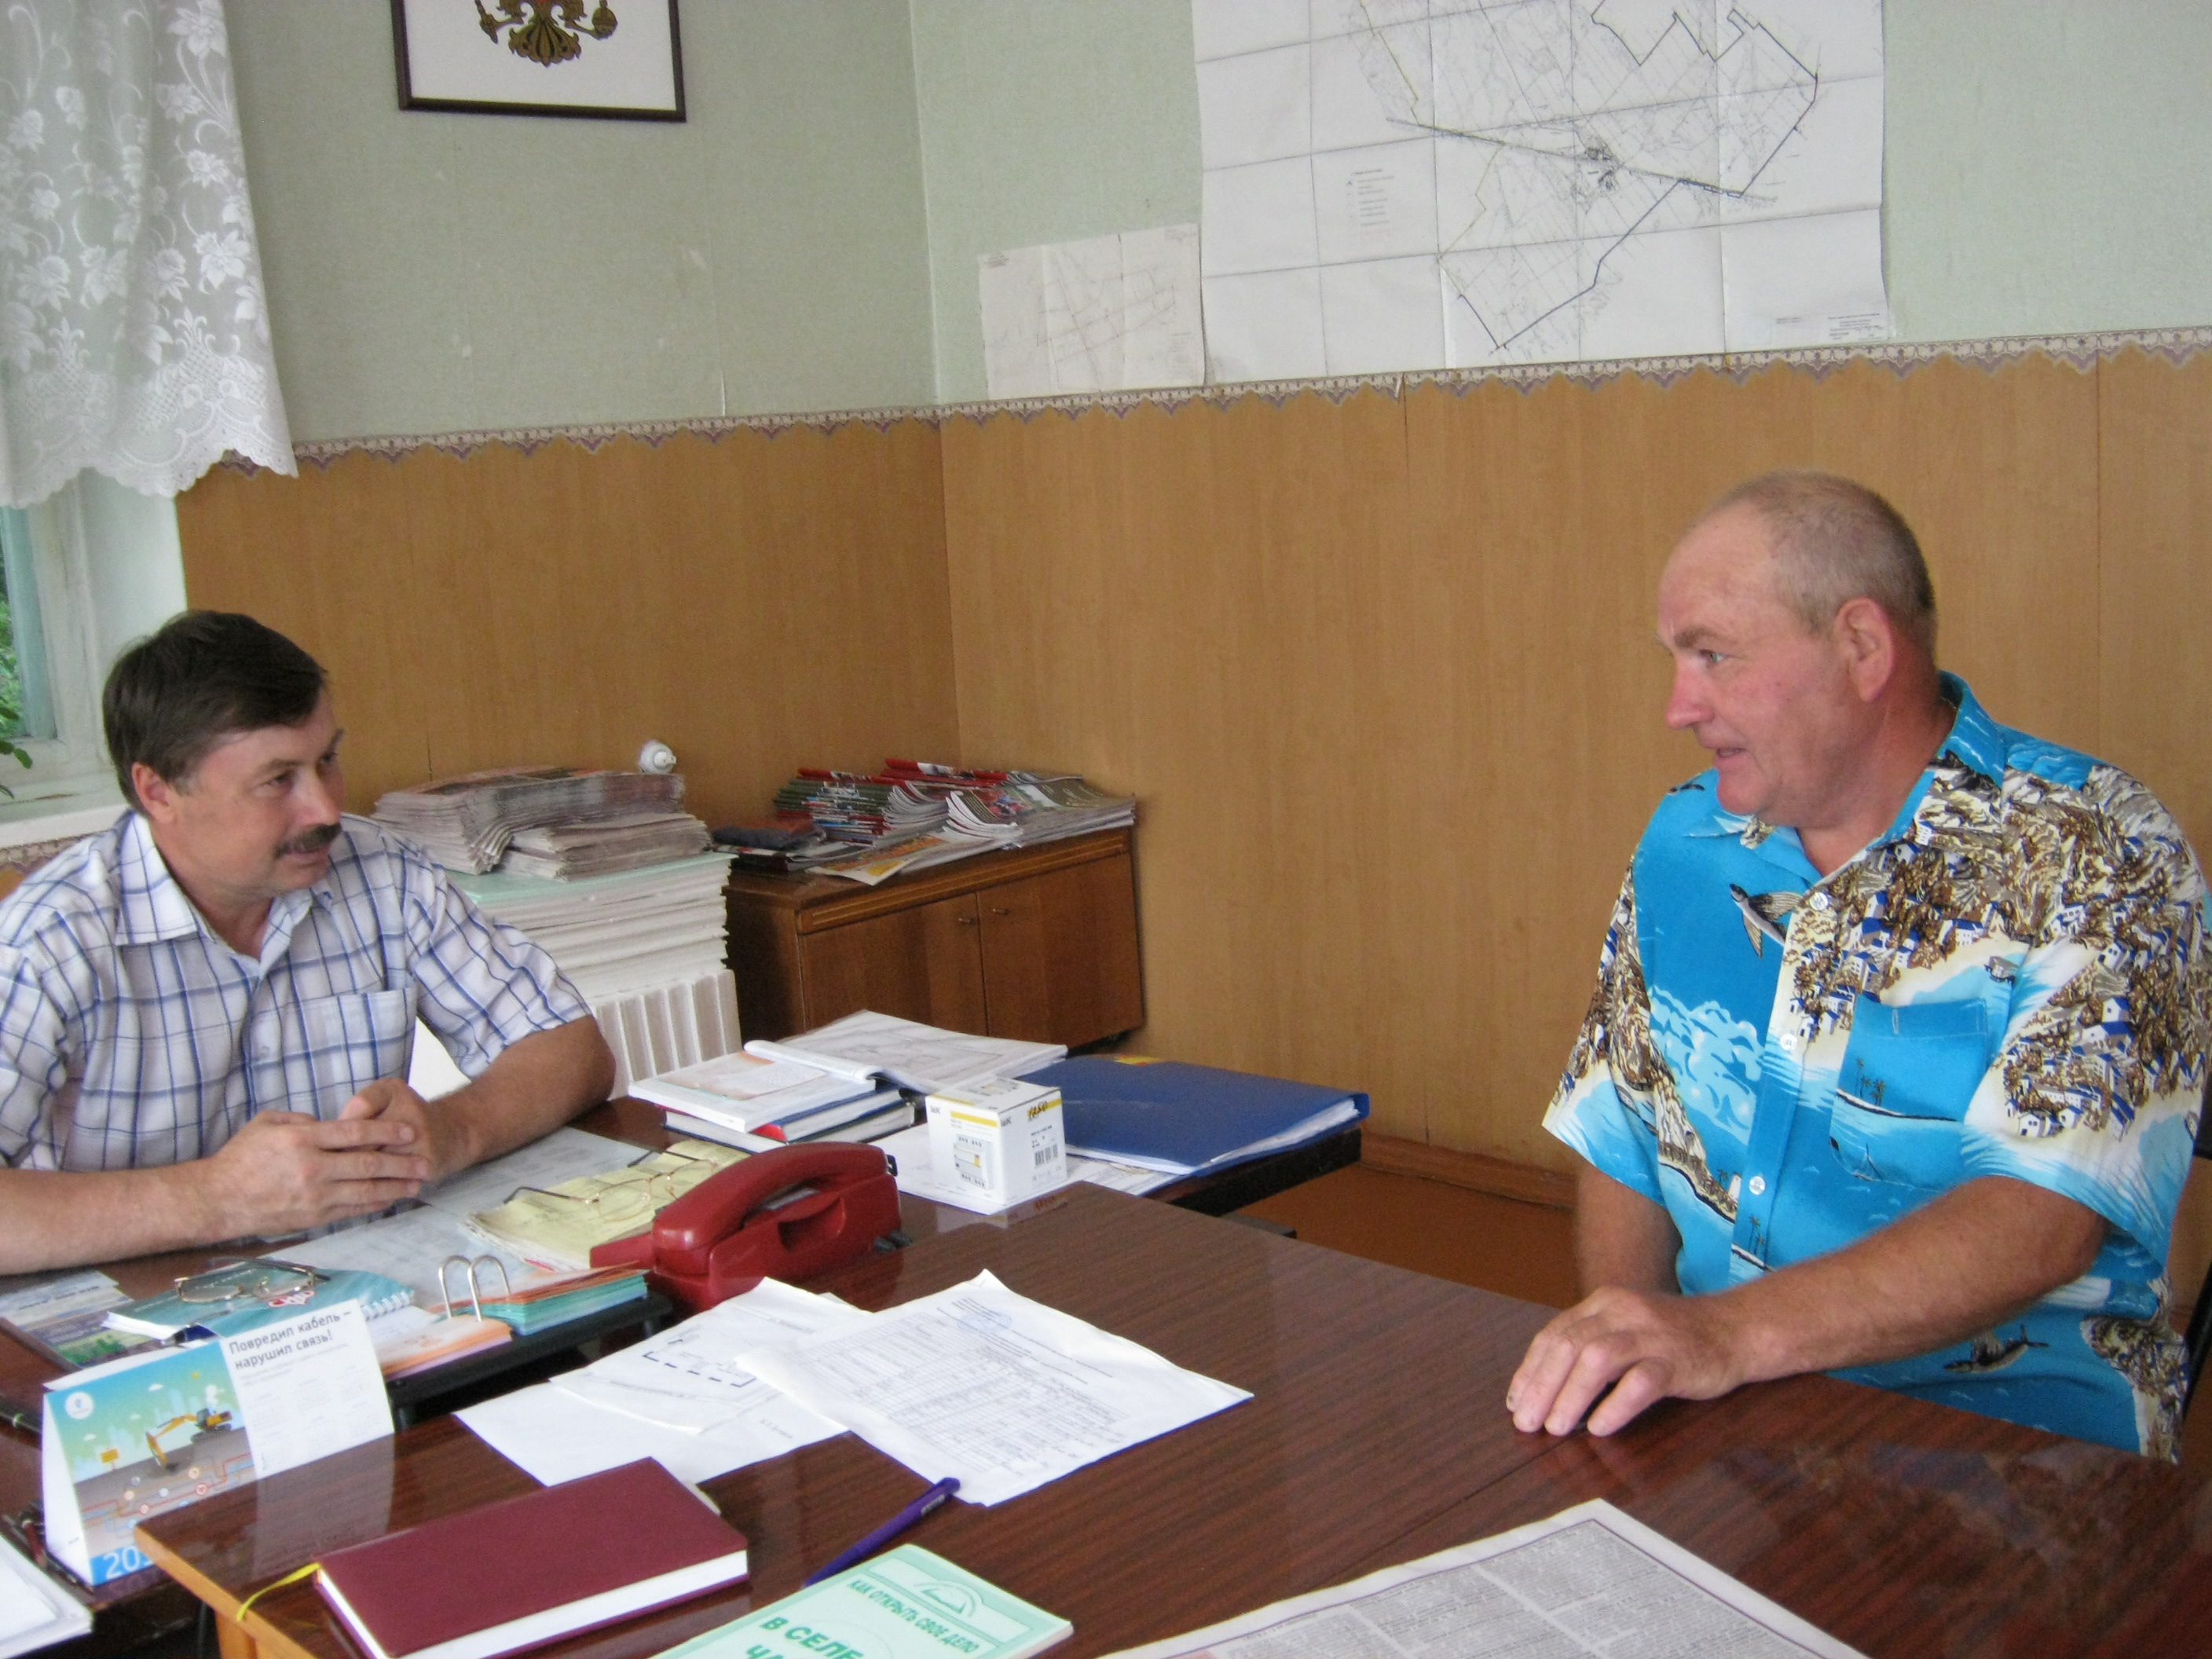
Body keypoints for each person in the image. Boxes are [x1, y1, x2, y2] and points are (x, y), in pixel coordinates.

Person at [1508, 472, 2209, 1460]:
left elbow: (2038, 1222)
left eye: (1712, 656)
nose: (1677, 705)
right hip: (1727, 1427)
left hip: (2013, 1457)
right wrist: (1628, 1344)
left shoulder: (2096, 852)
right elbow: (1623, 1121)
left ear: (1860, 648)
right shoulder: (1686, 839)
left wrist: (1716, 1337)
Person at [0, 611, 614, 1273]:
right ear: (159, 792)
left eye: (328, 760)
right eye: (277, 780)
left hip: (380, 1288)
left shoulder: (382, 870)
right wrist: (217, 1199)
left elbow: (569, 1048)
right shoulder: (50, 940)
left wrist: (446, 1132)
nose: (324, 810)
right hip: (161, 1332)